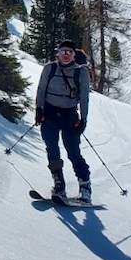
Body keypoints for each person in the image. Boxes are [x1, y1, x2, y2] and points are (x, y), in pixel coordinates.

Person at [35, 40, 92, 203]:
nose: (65, 55)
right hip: (50, 114)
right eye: (62, 52)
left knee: (73, 151)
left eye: (69, 52)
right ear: (57, 54)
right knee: (52, 149)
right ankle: (59, 183)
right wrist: (39, 110)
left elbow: (84, 98)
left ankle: (85, 185)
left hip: (70, 115)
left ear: (74, 54)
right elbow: (41, 89)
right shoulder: (49, 69)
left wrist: (83, 119)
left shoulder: (81, 72)